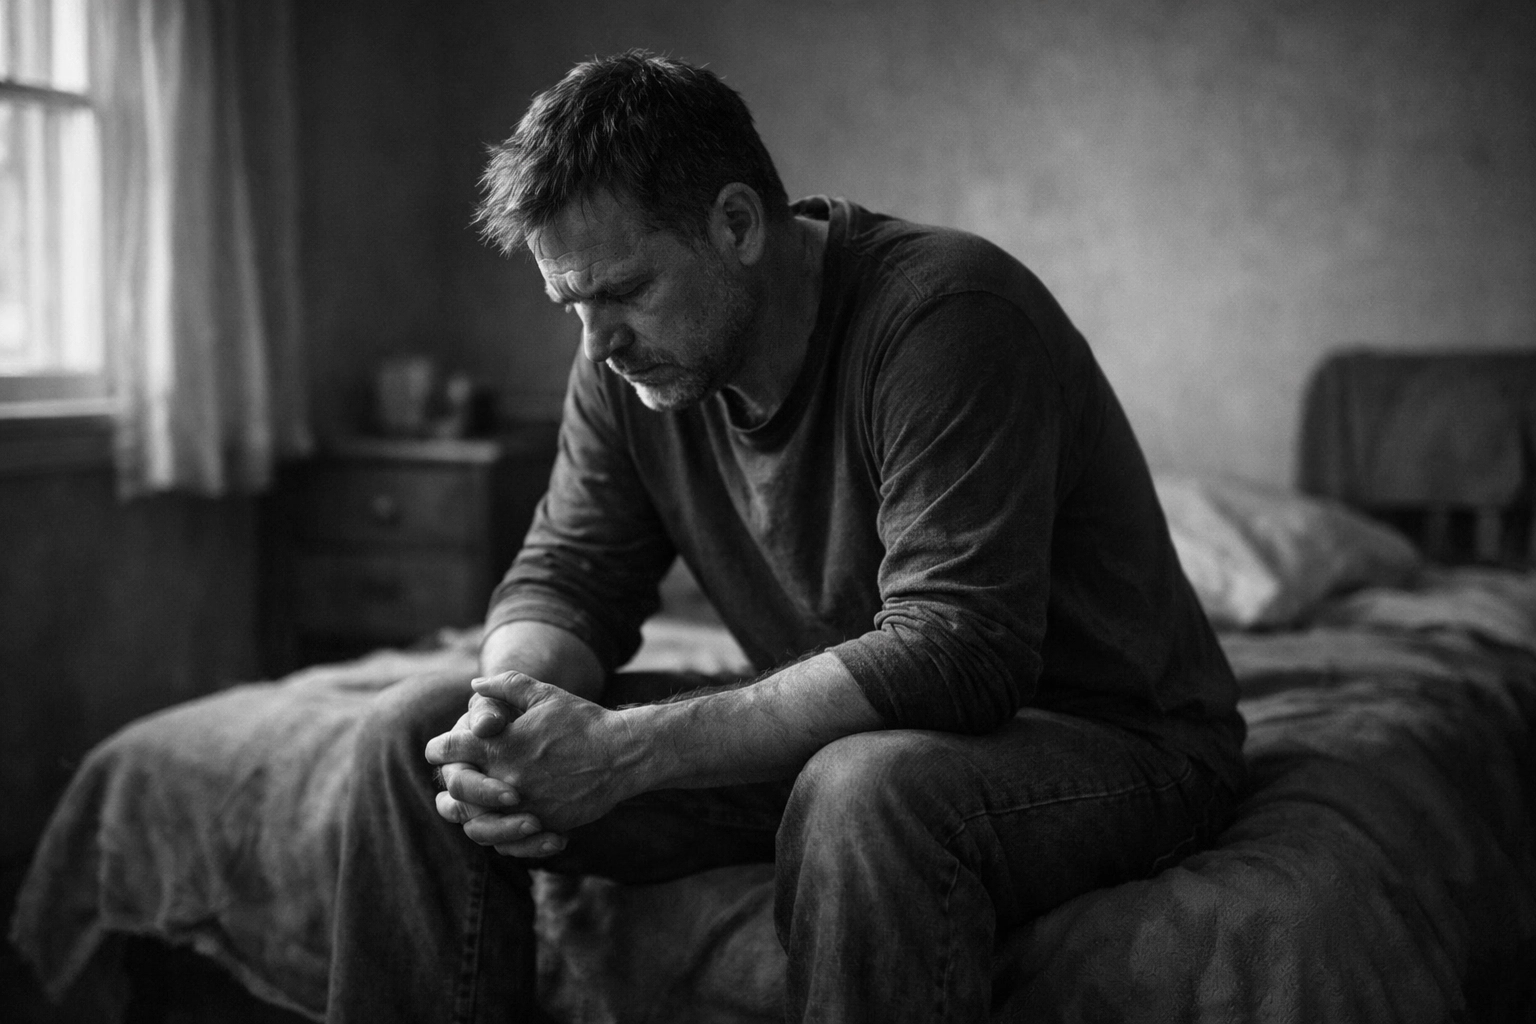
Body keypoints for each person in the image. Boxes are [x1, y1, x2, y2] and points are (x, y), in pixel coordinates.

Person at [326, 49, 1246, 1024]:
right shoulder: (623, 368)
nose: (597, 342)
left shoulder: (947, 314)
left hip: (1116, 740)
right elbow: (574, 572)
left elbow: (960, 648)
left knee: (862, 789)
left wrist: (627, 753)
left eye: (626, 291)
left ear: (736, 224)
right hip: (840, 741)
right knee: (417, 738)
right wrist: (511, 717)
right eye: (572, 304)